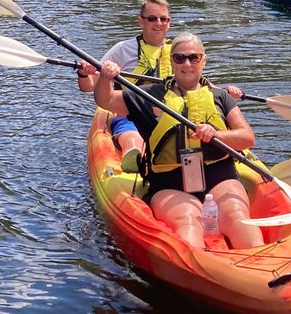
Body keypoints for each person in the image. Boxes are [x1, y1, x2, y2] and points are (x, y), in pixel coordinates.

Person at [89, 31, 265, 250]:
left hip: (220, 176)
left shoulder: (220, 96)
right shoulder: (151, 95)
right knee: (189, 221)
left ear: (204, 60)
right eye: (179, 58)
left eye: (194, 57)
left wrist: (217, 134)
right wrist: (105, 77)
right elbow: (105, 100)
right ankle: (200, 271)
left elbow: (247, 137)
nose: (187, 63)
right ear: (171, 61)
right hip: (169, 183)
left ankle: (261, 268)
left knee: (237, 217)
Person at [77, 0, 245, 172]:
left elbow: (203, 85)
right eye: (152, 18)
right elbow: (88, 87)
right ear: (140, 21)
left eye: (163, 19)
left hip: (174, 116)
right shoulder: (122, 50)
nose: (158, 23)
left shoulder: (179, 53)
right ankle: (135, 158)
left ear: (169, 22)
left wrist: (226, 94)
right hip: (132, 113)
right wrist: (84, 72)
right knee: (133, 139)